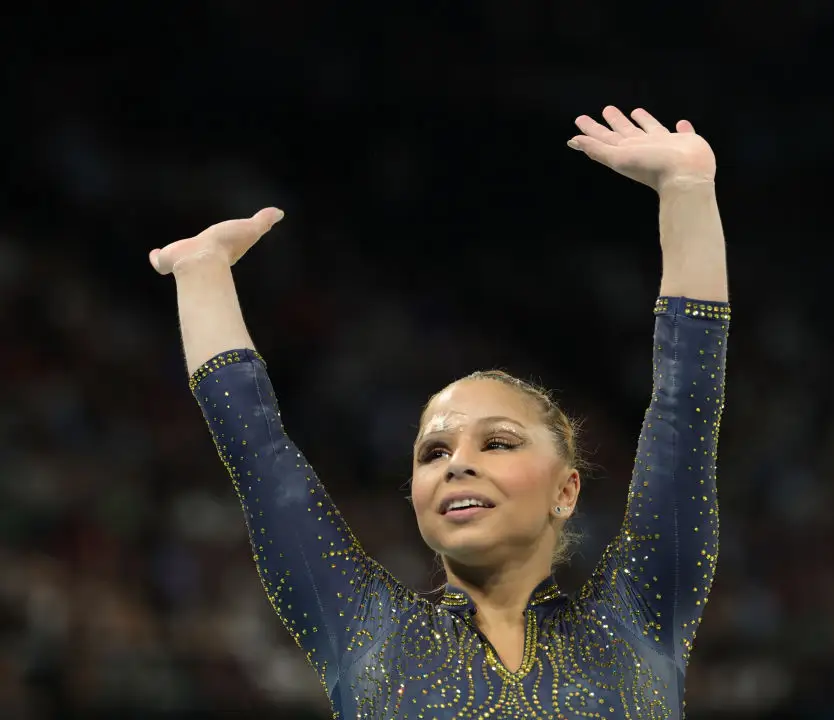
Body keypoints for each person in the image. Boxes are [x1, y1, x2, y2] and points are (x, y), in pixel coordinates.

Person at [149, 106, 730, 719]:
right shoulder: (365, 630)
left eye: (499, 442)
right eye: (434, 451)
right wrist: (203, 272)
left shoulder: (640, 614)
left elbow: (684, 414)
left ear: (567, 489)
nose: (458, 465)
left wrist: (687, 191)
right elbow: (261, 459)